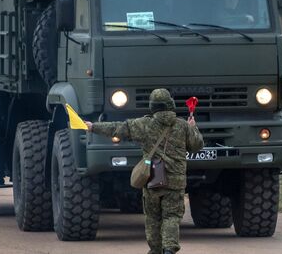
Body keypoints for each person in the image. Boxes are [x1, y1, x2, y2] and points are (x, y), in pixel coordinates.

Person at [85, 89, 204, 254]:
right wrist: (193, 128)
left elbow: (117, 128)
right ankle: (169, 249)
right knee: (171, 216)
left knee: (153, 217)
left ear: (152, 106)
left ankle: (155, 250)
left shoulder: (144, 124)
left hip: (153, 178)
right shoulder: (182, 125)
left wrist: (93, 127)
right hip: (176, 181)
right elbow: (197, 146)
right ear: (171, 104)